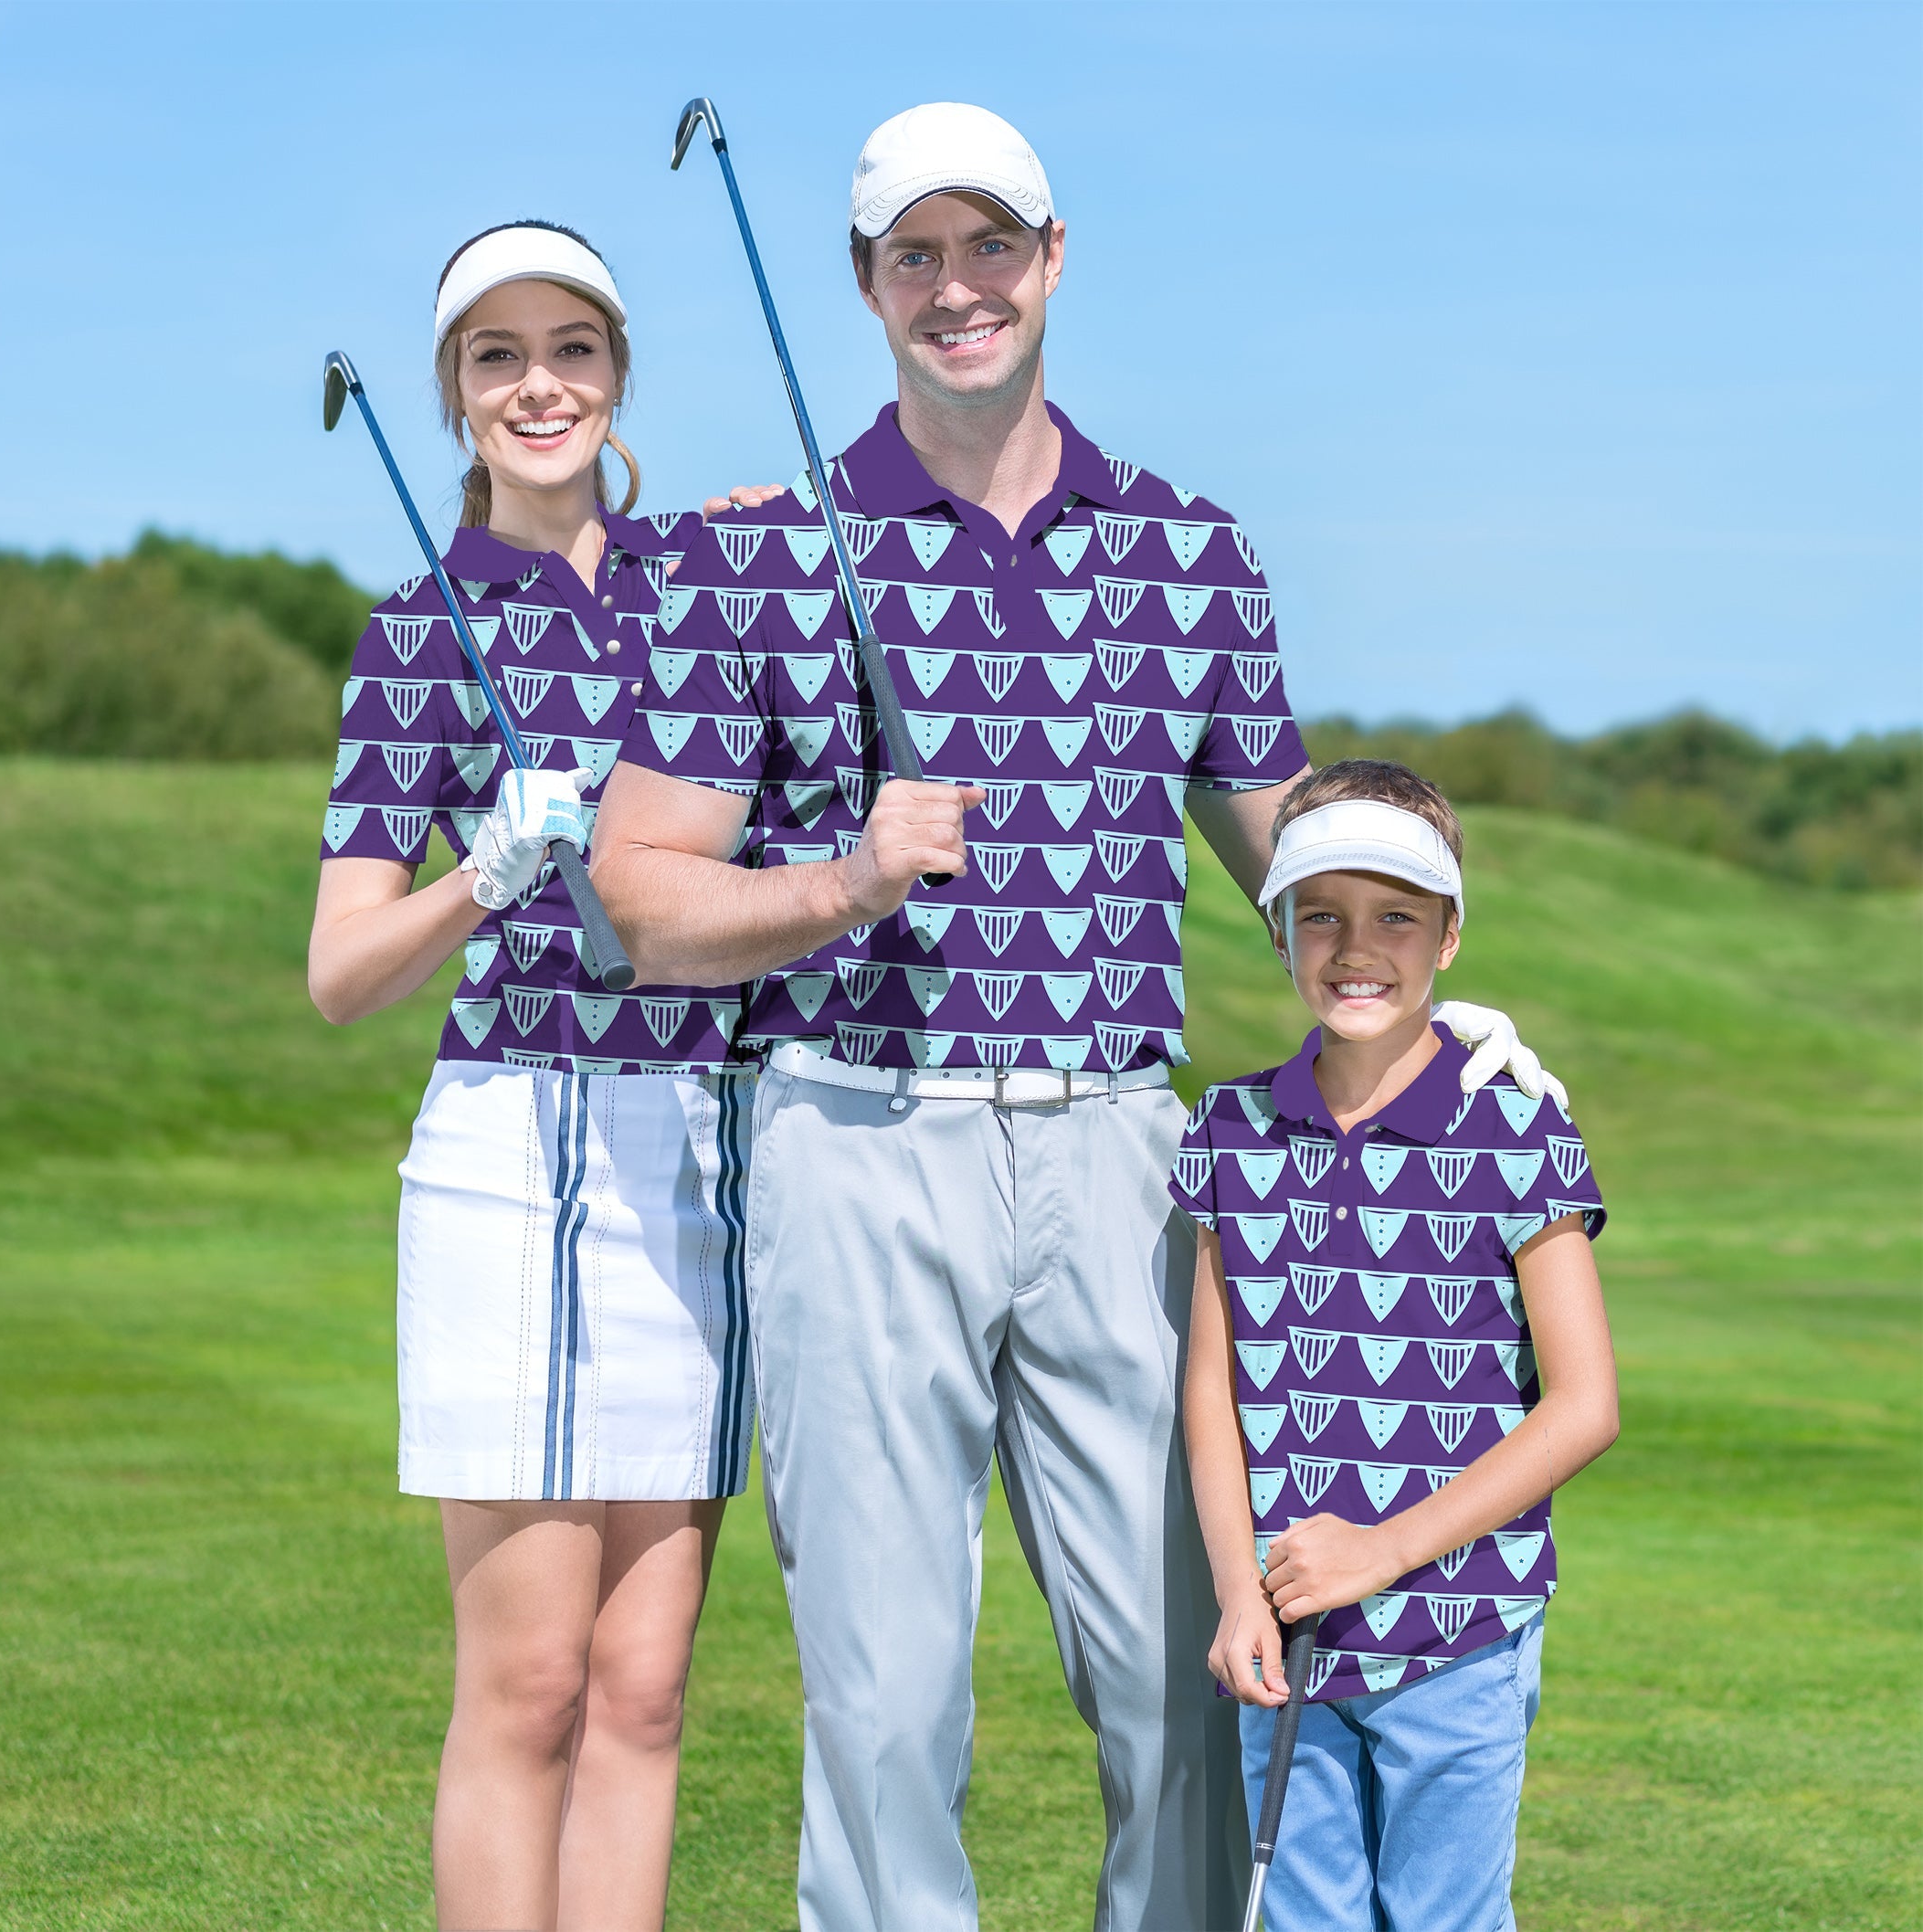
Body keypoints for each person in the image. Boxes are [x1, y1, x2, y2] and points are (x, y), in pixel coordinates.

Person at [591, 106, 1554, 1930]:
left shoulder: (1189, 550)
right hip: (854, 1136)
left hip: (1124, 1153)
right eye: (914, 256)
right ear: (867, 286)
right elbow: (643, 892)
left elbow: (1294, 859)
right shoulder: (760, 554)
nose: (958, 288)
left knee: (1191, 1664)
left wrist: (1442, 983)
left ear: (1051, 258)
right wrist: (832, 884)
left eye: (990, 246)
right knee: (885, 1701)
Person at [309, 220, 777, 1932]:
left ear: (617, 375)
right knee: (529, 1686)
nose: (539, 385)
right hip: (511, 1144)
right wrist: (482, 876)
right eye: (497, 356)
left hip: (689, 1152)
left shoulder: (715, 592)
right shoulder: (415, 634)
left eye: (570, 349)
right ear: (454, 394)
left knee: (645, 1685)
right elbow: (342, 971)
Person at [1173, 759, 1619, 1931]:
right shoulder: (1231, 1130)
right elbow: (1210, 1389)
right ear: (1277, 929)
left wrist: (1383, 1552)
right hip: (1286, 1631)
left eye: (1395, 918)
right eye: (1319, 913)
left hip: (1462, 1627)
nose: (1354, 946)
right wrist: (1236, 1593)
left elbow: (1583, 1406)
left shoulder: (1516, 1126)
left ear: (1449, 938)